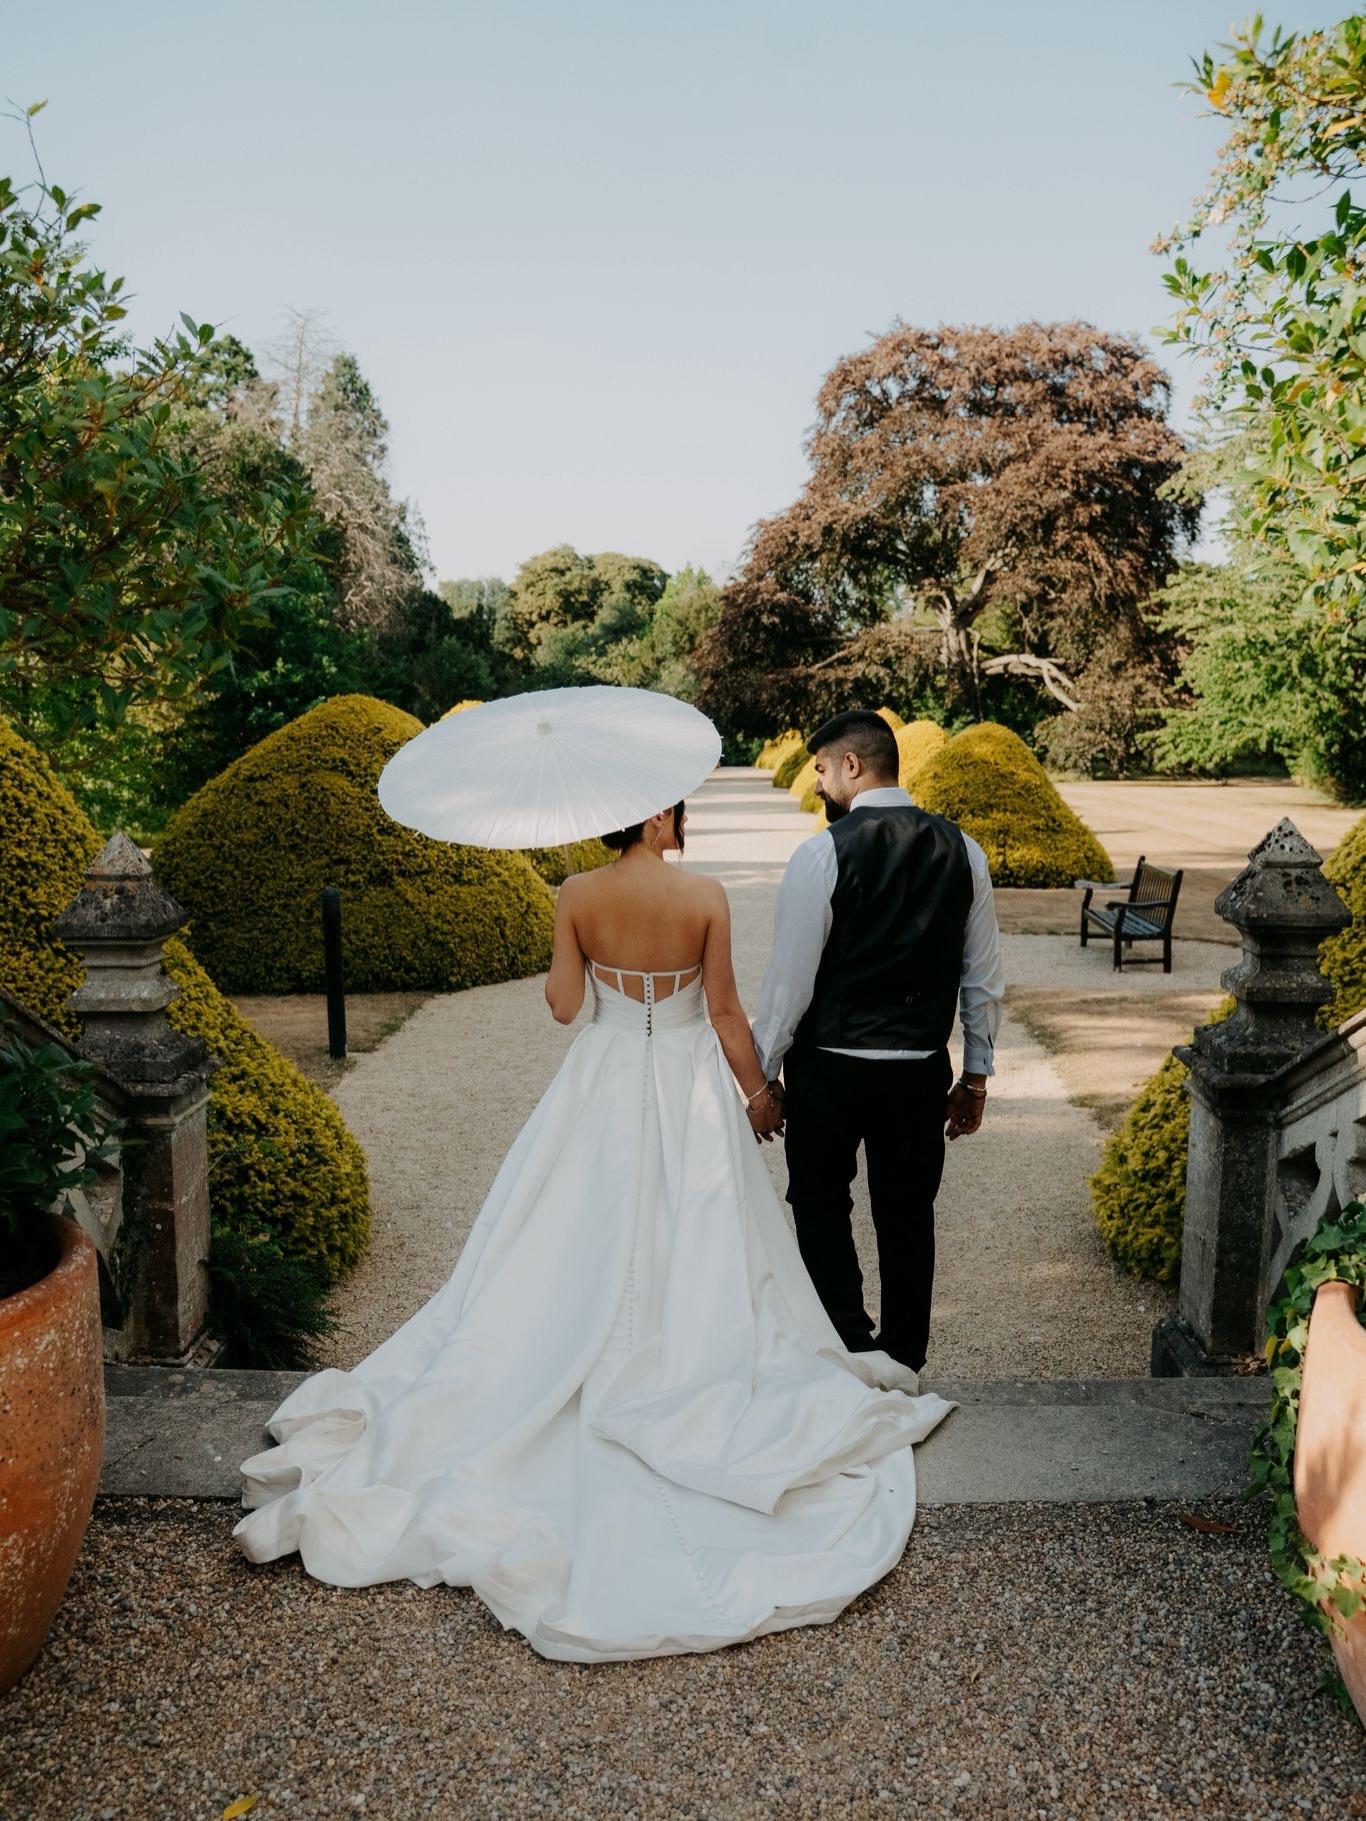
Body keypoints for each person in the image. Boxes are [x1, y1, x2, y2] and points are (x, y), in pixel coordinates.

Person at [233, 794, 953, 1663]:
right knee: (706, 1236)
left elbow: (565, 1007)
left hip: (604, 1077)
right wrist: (761, 1095)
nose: (680, 824)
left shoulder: (574, 892)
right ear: (655, 820)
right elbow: (725, 1016)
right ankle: (683, 1363)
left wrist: (576, 958)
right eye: (675, 813)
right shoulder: (704, 898)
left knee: (560, 1237)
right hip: (687, 1082)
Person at [752, 709, 1005, 1375]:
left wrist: (761, 1076)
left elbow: (789, 985)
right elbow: (983, 978)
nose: (816, 785)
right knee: (907, 1216)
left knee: (818, 1202)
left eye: (821, 769)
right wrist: (975, 1078)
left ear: (853, 765)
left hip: (830, 1071)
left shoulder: (820, 854)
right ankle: (903, 1358)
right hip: (918, 1072)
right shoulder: (965, 850)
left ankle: (848, 1345)